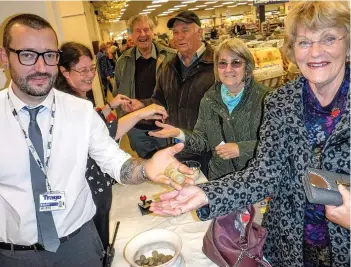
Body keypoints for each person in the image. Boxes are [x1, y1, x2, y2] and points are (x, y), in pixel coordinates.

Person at [150, 2, 350, 267]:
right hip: (289, 245)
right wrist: (206, 193)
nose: (315, 52)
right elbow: (263, 174)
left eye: (328, 38)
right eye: (303, 42)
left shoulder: (262, 97)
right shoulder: (281, 102)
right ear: (292, 50)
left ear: (347, 44)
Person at [0, 13, 193, 267]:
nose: (40, 67)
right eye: (27, 54)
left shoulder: (80, 111)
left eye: (49, 56)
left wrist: (146, 169)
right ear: (4, 56)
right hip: (16, 255)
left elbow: (116, 162)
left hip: (79, 246)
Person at [55, 41, 170, 250]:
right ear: (64, 71)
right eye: (82, 70)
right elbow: (108, 132)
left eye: (91, 68)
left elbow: (103, 128)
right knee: (95, 242)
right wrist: (140, 113)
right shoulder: (68, 105)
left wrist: (122, 109)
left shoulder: (77, 98)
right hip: (87, 192)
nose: (90, 75)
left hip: (97, 188)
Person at [149, 38, 270, 180]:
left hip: (257, 180)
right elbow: (202, 142)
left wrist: (241, 149)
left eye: (236, 63)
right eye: (222, 63)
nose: (228, 69)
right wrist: (179, 133)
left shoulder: (266, 98)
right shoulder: (209, 98)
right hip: (220, 180)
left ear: (247, 67)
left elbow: (279, 144)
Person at [121, 11, 215, 176]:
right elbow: (159, 99)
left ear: (199, 32)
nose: (179, 37)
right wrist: (142, 104)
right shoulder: (169, 67)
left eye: (185, 30)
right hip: (179, 145)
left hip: (210, 148)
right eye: (176, 32)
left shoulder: (217, 64)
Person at [113, 15, 176, 159]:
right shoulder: (123, 62)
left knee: (170, 164)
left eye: (146, 30)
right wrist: (123, 107)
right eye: (137, 31)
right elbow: (117, 91)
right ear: (131, 34)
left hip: (165, 125)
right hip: (137, 129)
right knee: (147, 167)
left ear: (153, 32)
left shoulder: (170, 57)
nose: (142, 35)